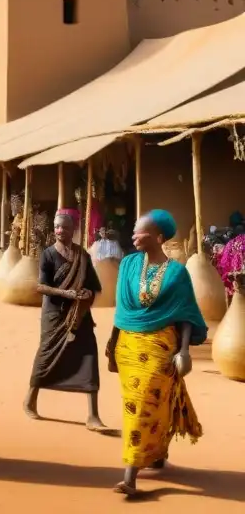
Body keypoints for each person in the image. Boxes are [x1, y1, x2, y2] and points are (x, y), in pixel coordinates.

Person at [105, 210, 207, 497]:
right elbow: (121, 311)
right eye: (135, 231)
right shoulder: (127, 264)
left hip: (160, 348)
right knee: (142, 406)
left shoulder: (176, 273)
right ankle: (158, 453)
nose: (134, 236)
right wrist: (113, 347)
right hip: (128, 346)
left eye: (141, 232)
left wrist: (184, 351)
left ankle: (130, 476)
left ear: (159, 237)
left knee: (142, 406)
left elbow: (185, 313)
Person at [23, 213, 105, 430]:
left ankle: (93, 415)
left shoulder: (82, 256)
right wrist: (66, 293)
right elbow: (41, 287)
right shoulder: (48, 255)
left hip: (79, 314)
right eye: (57, 227)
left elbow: (94, 286)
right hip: (54, 315)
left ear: (73, 230)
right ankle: (30, 399)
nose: (60, 231)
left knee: (89, 356)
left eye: (64, 228)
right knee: (46, 355)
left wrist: (86, 293)